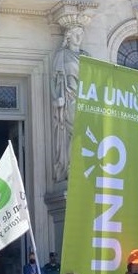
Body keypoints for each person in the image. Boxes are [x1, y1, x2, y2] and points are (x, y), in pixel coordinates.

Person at [51, 25, 87, 182]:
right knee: (75, 132)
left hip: (86, 101)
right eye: (75, 34)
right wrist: (56, 97)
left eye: (81, 34)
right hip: (69, 99)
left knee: (84, 134)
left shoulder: (86, 56)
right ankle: (71, 170)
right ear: (68, 37)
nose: (78, 37)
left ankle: (80, 169)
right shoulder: (62, 54)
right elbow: (54, 80)